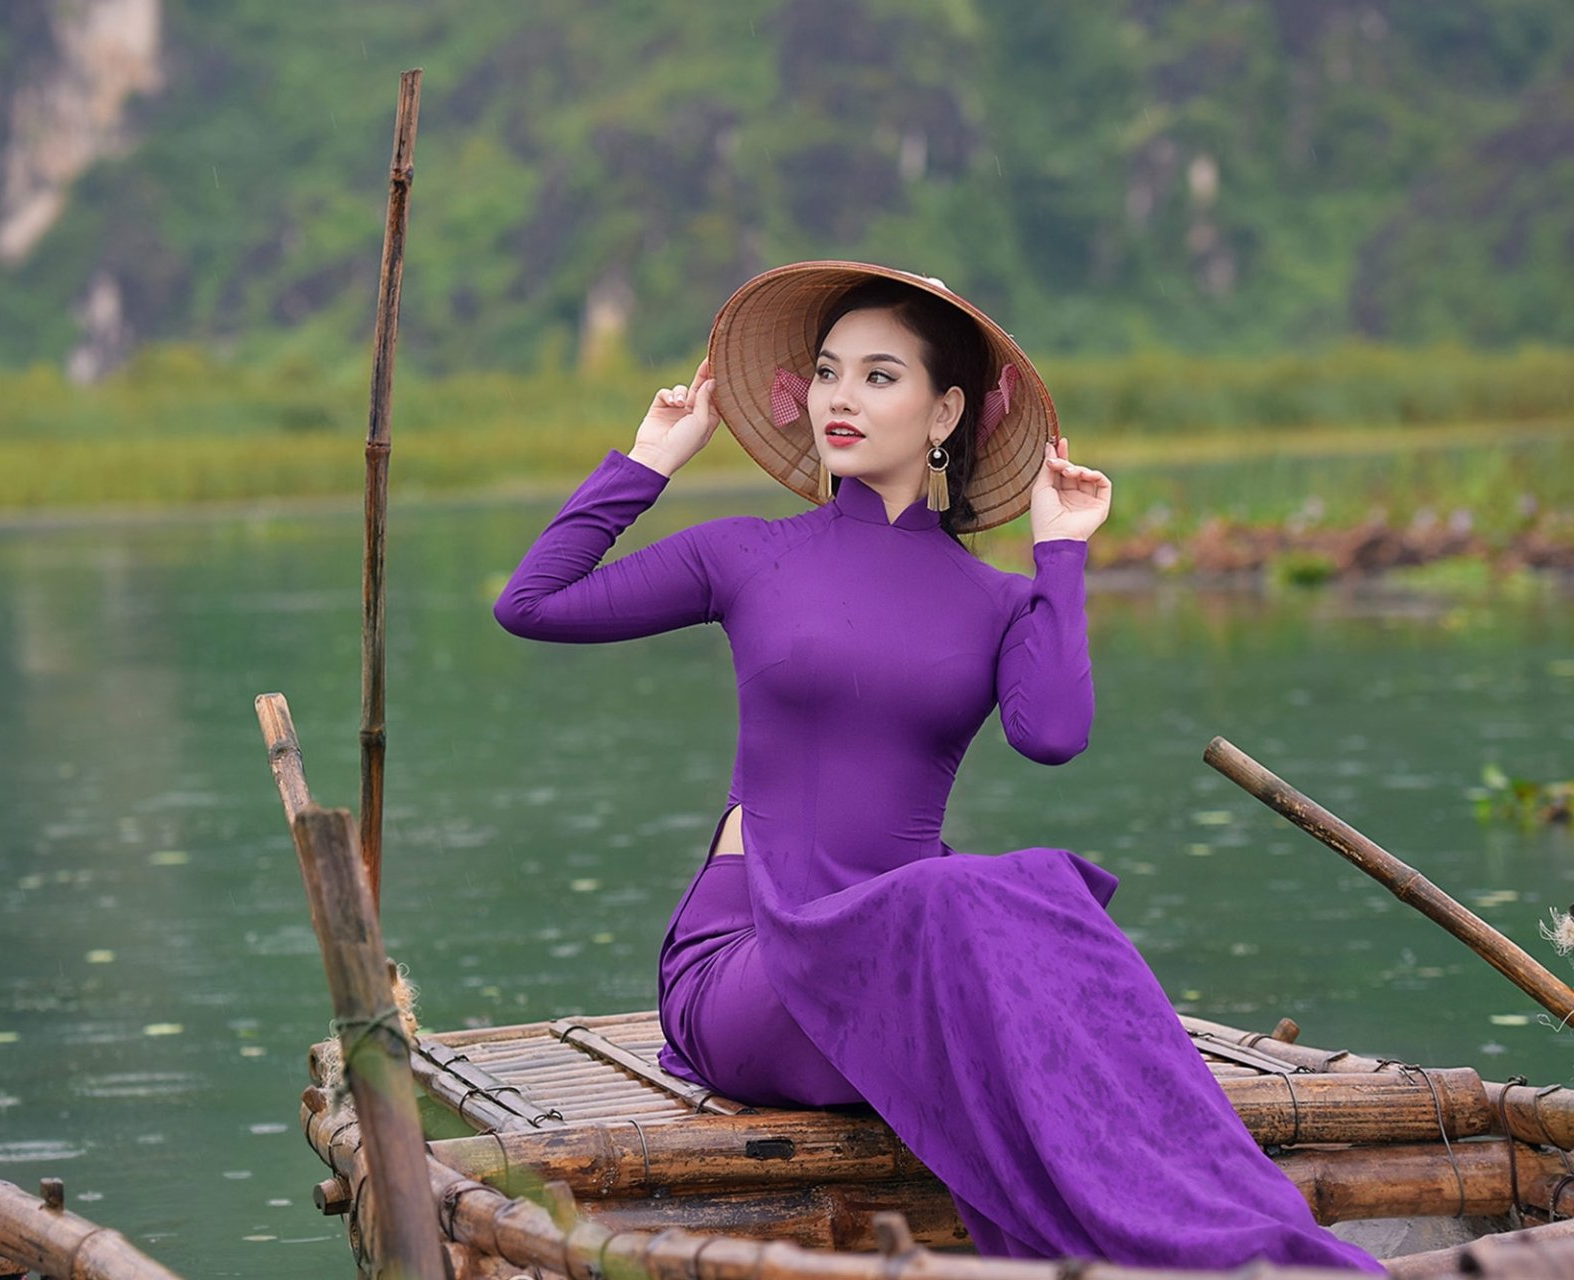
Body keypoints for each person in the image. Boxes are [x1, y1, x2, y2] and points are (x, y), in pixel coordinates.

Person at [492, 261, 1384, 1272]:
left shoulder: (993, 601)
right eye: (828, 372)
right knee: (983, 893)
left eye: (879, 376)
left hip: (909, 955)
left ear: (944, 410)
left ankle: (1213, 1228)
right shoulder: (744, 554)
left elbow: (1053, 733)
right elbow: (532, 603)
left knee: (1025, 892)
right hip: (753, 960)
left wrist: (1061, 554)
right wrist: (649, 459)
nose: (839, 396)